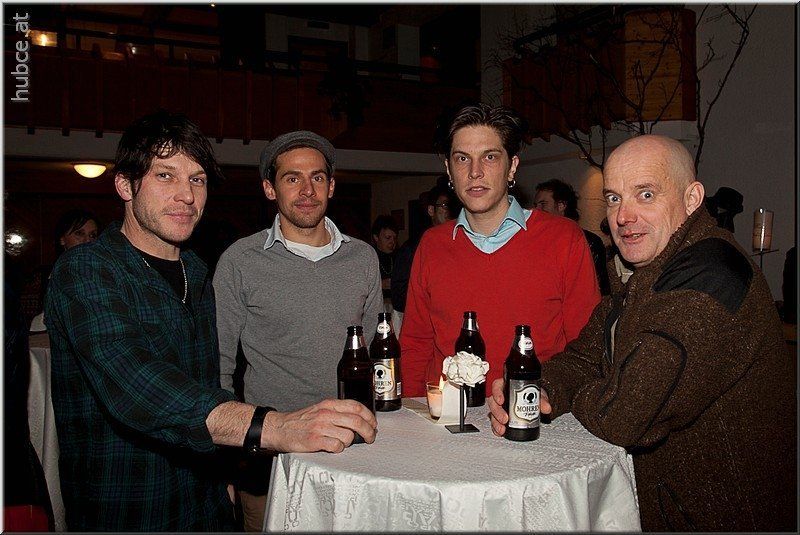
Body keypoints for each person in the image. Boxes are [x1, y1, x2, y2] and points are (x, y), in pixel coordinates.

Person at [44, 112, 377, 532]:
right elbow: (137, 385)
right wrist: (273, 426)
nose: (186, 195)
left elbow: (212, 378)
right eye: (165, 176)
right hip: (128, 503)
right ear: (125, 185)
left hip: (205, 501)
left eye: (197, 179)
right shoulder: (86, 270)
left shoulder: (197, 273)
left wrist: (224, 472)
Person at [488, 135, 796, 532]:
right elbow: (584, 357)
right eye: (614, 198)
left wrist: (585, 389)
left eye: (645, 195)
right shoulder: (645, 272)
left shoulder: (711, 276)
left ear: (691, 199)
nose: (623, 216)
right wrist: (539, 387)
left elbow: (625, 416)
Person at [213, 129, 384, 531]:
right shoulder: (240, 261)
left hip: (353, 450)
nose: (307, 190)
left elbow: (377, 356)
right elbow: (218, 365)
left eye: (317, 177)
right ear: (270, 189)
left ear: (331, 186)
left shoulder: (362, 258)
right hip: (270, 458)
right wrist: (221, 462)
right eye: (292, 178)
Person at [400, 103, 600, 397]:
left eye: (490, 157)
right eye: (462, 158)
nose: (475, 172)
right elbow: (416, 344)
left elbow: (587, 348)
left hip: (532, 413)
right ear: (449, 170)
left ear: (512, 166)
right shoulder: (432, 244)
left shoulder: (564, 239)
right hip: (446, 416)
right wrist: (412, 412)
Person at [390, 176, 455, 333]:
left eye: (451, 206)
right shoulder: (414, 247)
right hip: (421, 325)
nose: (448, 211)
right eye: (444, 206)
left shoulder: (460, 243)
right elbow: (398, 296)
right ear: (431, 210)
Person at [23, 209, 101, 329]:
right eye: (79, 233)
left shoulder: (103, 274)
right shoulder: (43, 278)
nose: (87, 241)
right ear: (62, 239)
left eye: (92, 235)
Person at [534, 179, 610, 295]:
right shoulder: (536, 241)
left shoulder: (588, 242)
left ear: (561, 206)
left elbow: (597, 289)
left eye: (543, 204)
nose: (536, 210)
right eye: (536, 205)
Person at [371, 214, 399, 302]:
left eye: (394, 238)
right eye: (388, 238)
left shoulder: (399, 257)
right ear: (376, 237)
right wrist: (380, 285)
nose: (392, 242)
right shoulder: (369, 258)